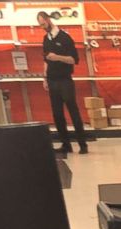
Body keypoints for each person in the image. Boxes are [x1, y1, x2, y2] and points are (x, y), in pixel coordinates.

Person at [38, 11, 87, 155]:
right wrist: (45, 78)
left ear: (48, 20)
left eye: (43, 23)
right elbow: (46, 60)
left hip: (65, 80)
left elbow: (74, 60)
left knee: (73, 112)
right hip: (52, 80)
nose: (42, 27)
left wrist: (58, 57)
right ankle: (66, 144)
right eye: (39, 25)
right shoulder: (45, 39)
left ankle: (82, 144)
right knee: (57, 114)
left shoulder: (65, 37)